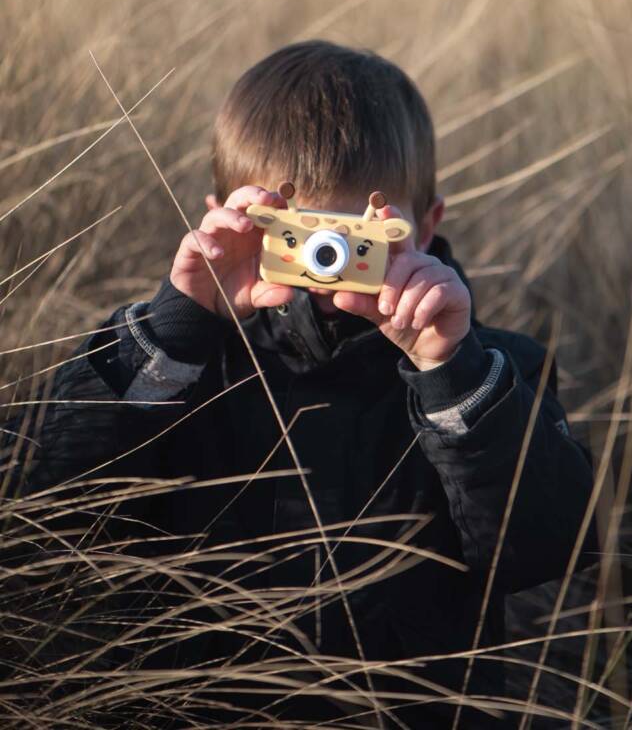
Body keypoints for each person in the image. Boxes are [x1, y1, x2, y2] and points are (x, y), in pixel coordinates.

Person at [2, 40, 597, 728]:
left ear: (425, 228)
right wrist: (175, 325)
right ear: (221, 219)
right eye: (293, 234)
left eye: (354, 240)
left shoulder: (489, 370)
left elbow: (553, 547)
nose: (325, 265)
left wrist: (449, 371)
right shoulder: (182, 361)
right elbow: (37, 507)